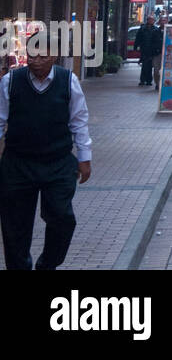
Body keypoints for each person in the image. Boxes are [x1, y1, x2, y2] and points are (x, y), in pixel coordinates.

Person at [0, 49, 92, 270]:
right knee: (15, 227)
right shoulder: (10, 81)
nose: (36, 61)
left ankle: (47, 265)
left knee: (62, 218)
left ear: (54, 57)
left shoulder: (69, 81)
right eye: (32, 56)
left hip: (58, 162)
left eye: (42, 56)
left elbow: (79, 121)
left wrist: (84, 157)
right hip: (18, 163)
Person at [133, 15, 162, 88]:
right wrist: (136, 47)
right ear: (148, 20)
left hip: (152, 50)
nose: (152, 21)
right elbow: (138, 38)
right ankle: (142, 80)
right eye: (150, 20)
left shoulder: (155, 29)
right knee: (144, 65)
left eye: (153, 20)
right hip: (144, 49)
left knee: (150, 65)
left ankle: (149, 80)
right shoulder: (142, 29)